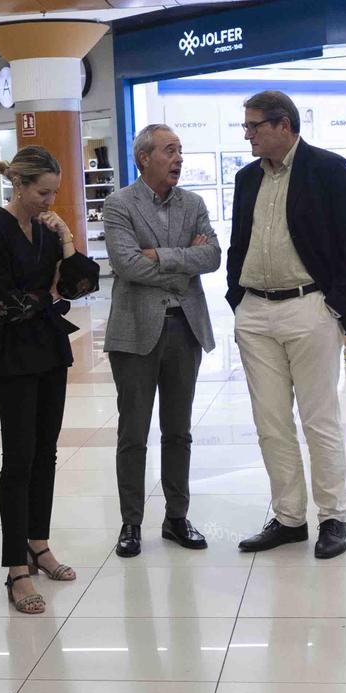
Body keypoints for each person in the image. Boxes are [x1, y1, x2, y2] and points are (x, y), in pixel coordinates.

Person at [227, 90, 346, 561]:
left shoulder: (328, 170)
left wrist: (333, 305)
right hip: (255, 312)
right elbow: (239, 241)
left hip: (309, 307)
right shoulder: (246, 178)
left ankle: (332, 517)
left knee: (319, 419)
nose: (247, 135)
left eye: (253, 126)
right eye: (246, 127)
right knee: (270, 422)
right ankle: (289, 517)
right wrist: (238, 297)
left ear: (283, 125)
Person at [0, 147, 99, 614]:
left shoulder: (46, 231)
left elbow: (81, 284)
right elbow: (6, 307)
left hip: (49, 351)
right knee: (19, 459)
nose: (49, 201)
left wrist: (66, 241)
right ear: (18, 186)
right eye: (42, 192)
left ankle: (38, 545)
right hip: (14, 357)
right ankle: (15, 568)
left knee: (47, 453)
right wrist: (47, 295)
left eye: (54, 194)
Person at [100, 124, 219, 558]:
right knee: (133, 432)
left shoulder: (194, 203)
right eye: (170, 151)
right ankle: (131, 523)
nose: (178, 159)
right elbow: (128, 265)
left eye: (181, 151)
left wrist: (161, 256)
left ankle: (176, 517)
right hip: (135, 333)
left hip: (184, 330)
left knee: (178, 431)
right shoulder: (119, 204)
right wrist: (183, 261)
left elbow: (212, 256)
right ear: (144, 158)